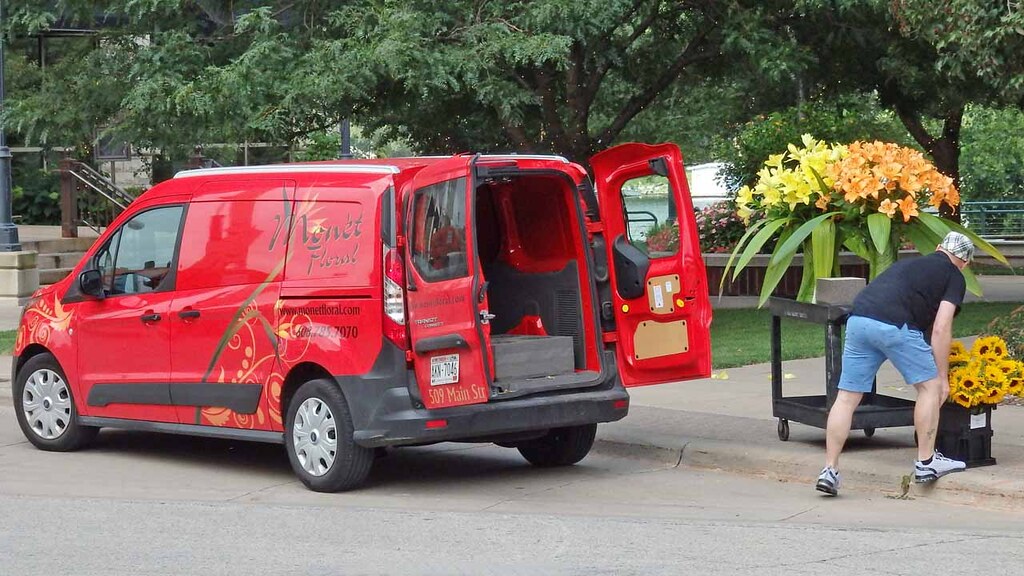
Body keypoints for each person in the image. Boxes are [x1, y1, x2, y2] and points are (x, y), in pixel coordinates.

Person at [816, 231, 975, 496]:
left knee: (846, 398)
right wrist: (942, 377)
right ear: (965, 262)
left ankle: (829, 470)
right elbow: (941, 328)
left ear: (938, 248)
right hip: (895, 326)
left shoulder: (909, 263)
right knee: (930, 388)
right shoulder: (954, 276)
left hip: (859, 320)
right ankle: (926, 462)